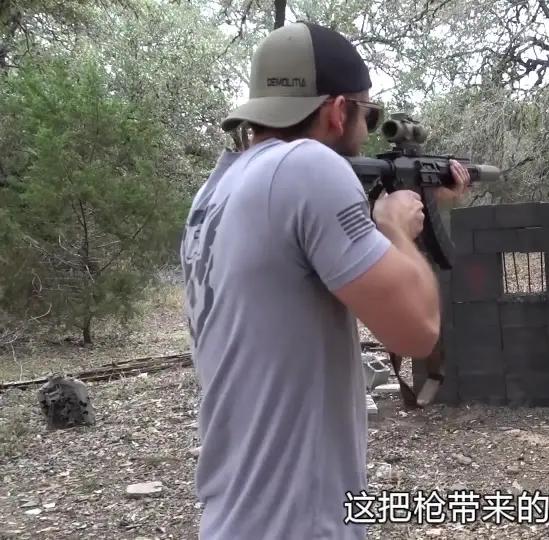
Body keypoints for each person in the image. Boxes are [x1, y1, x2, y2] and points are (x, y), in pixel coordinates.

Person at [179, 21, 470, 540]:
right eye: (369, 113)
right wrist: (398, 230)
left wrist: (415, 200)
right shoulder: (309, 166)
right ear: (338, 110)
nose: (369, 124)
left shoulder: (216, 193)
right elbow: (417, 331)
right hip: (298, 521)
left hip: (234, 515)